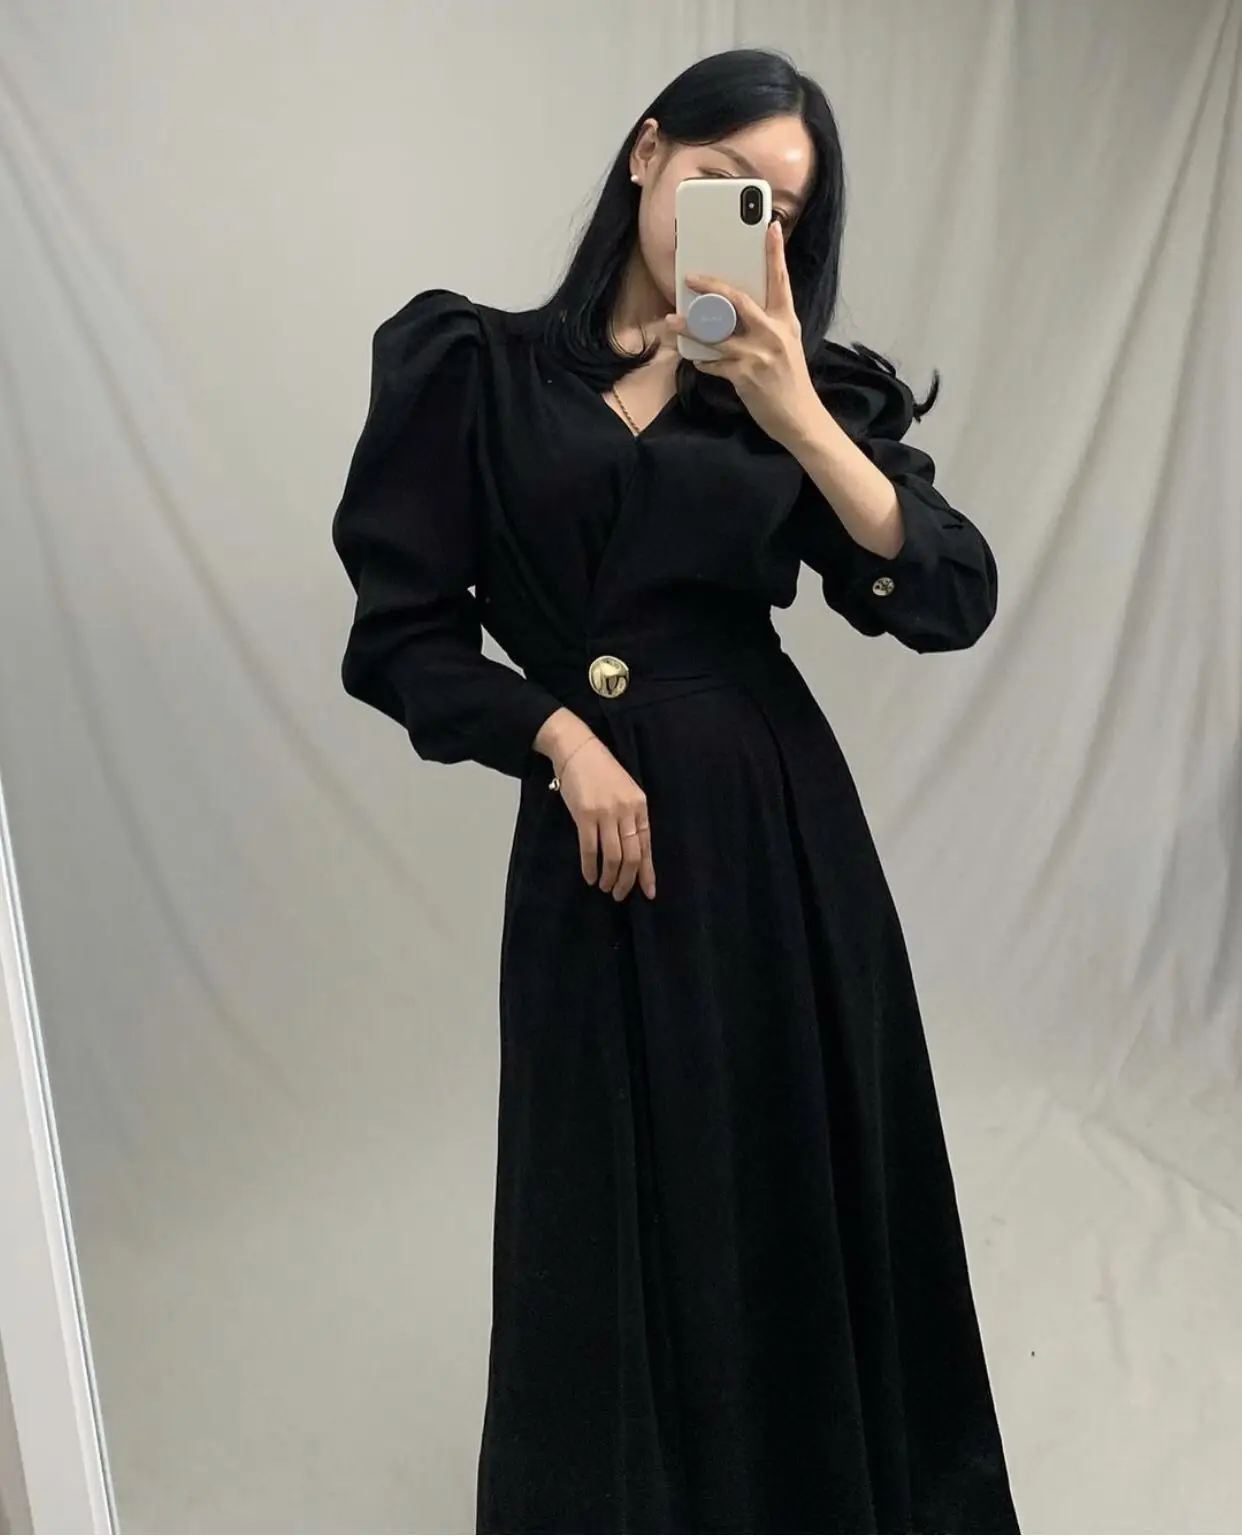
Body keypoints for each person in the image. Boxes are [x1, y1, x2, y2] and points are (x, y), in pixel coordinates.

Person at [331, 45, 1020, 1536]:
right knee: (596, 1196)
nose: (744, 218)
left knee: (783, 1171)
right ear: (647, 153)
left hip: (771, 835)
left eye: (778, 208)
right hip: (591, 842)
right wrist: (557, 737)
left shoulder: (796, 393)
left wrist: (796, 413)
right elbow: (398, 641)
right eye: (722, 180)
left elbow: (948, 596)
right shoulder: (475, 371)